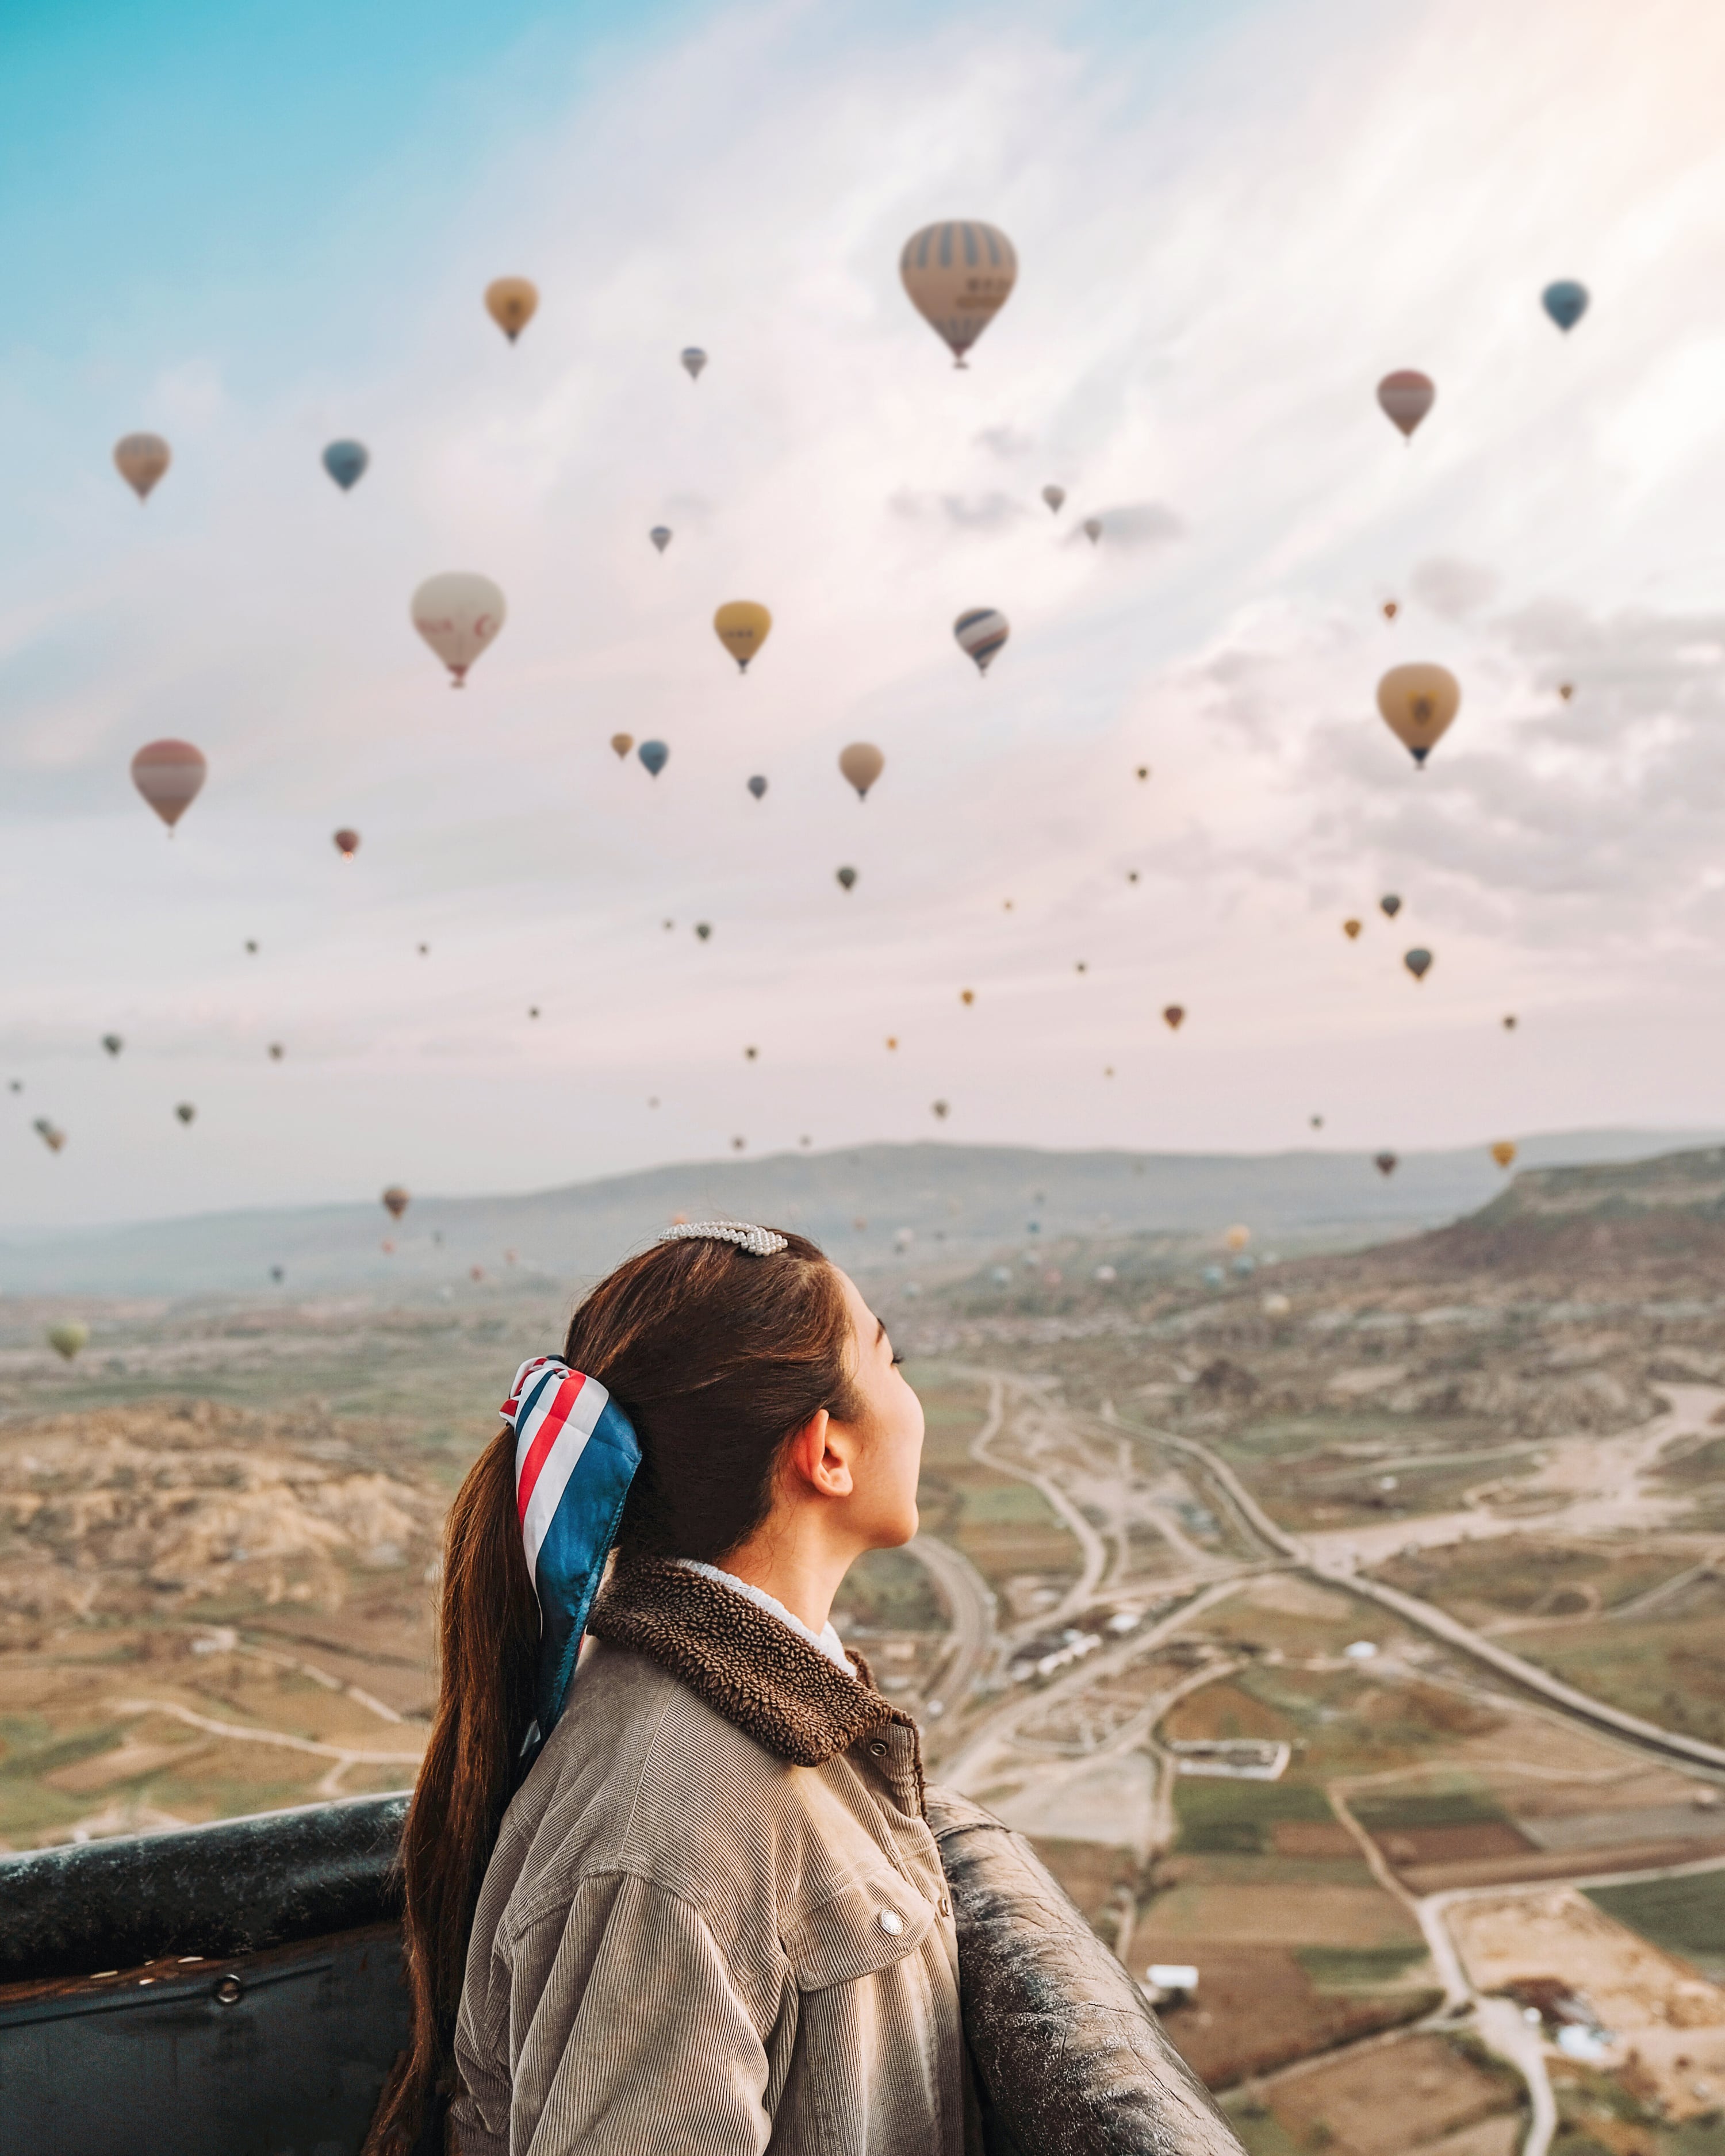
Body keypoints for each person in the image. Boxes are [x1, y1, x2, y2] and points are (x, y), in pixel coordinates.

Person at [366, 1222, 977, 2155]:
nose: (912, 1396)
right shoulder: (672, 1832)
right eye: (893, 1361)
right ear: (828, 1453)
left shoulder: (724, 1727)